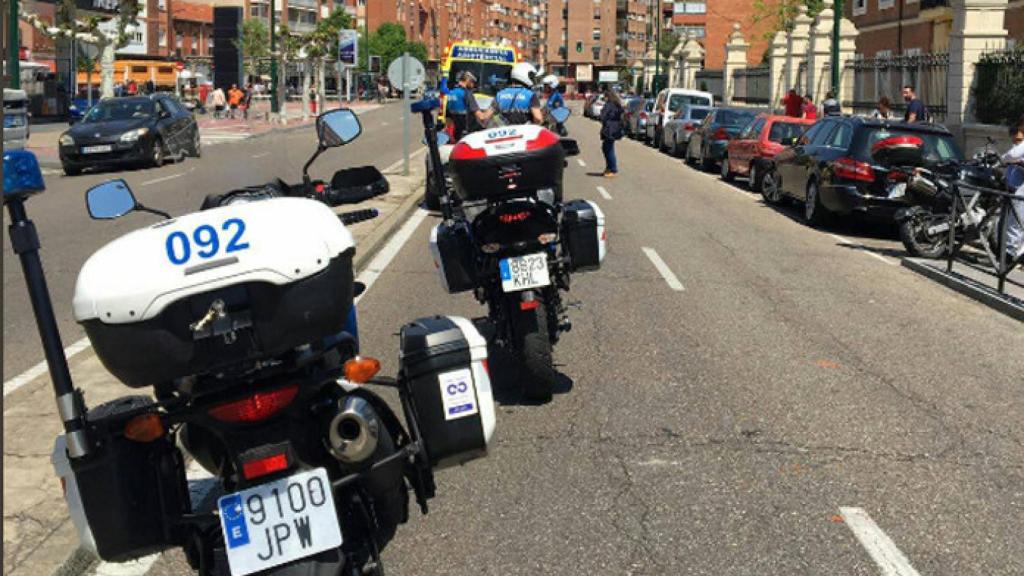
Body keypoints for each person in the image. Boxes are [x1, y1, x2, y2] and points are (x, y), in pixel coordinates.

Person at [477, 62, 544, 126]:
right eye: (531, 77)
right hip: (523, 134)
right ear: (525, 76)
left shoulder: (500, 95)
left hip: (505, 134)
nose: (533, 80)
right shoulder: (530, 95)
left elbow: (485, 118)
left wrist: (475, 110)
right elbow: (538, 118)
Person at [441, 70, 490, 140]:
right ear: (467, 80)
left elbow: (448, 118)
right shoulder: (467, 93)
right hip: (468, 134)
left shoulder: (450, 93)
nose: (473, 86)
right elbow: (481, 117)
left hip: (456, 135)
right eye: (472, 82)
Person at [1002, 114, 1024, 265]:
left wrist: (1002, 159)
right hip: (1016, 186)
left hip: (1020, 189)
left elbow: (1011, 155)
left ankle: (1009, 257)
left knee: (1015, 222)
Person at [599, 88, 625, 178]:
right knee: (607, 148)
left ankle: (612, 168)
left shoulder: (609, 105)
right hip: (614, 129)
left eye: (605, 97)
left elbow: (603, 116)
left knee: (608, 149)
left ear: (608, 97)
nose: (604, 99)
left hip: (610, 129)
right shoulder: (617, 105)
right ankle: (609, 167)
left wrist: (602, 116)